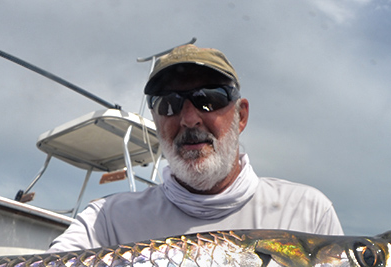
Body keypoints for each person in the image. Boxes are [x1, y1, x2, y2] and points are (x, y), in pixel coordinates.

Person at [49, 44, 343, 252]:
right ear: (156, 119)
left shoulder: (307, 215)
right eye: (169, 104)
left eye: (209, 99)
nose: (189, 120)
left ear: (241, 115)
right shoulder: (105, 222)